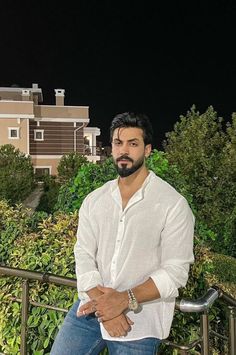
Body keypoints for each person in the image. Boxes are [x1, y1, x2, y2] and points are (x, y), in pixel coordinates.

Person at [51, 112, 195, 355]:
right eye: (118, 143)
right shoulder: (94, 200)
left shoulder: (172, 204)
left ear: (148, 150)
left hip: (139, 323)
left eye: (133, 143)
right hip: (89, 310)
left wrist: (124, 299)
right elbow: (83, 253)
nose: (124, 150)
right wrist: (104, 306)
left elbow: (175, 273)